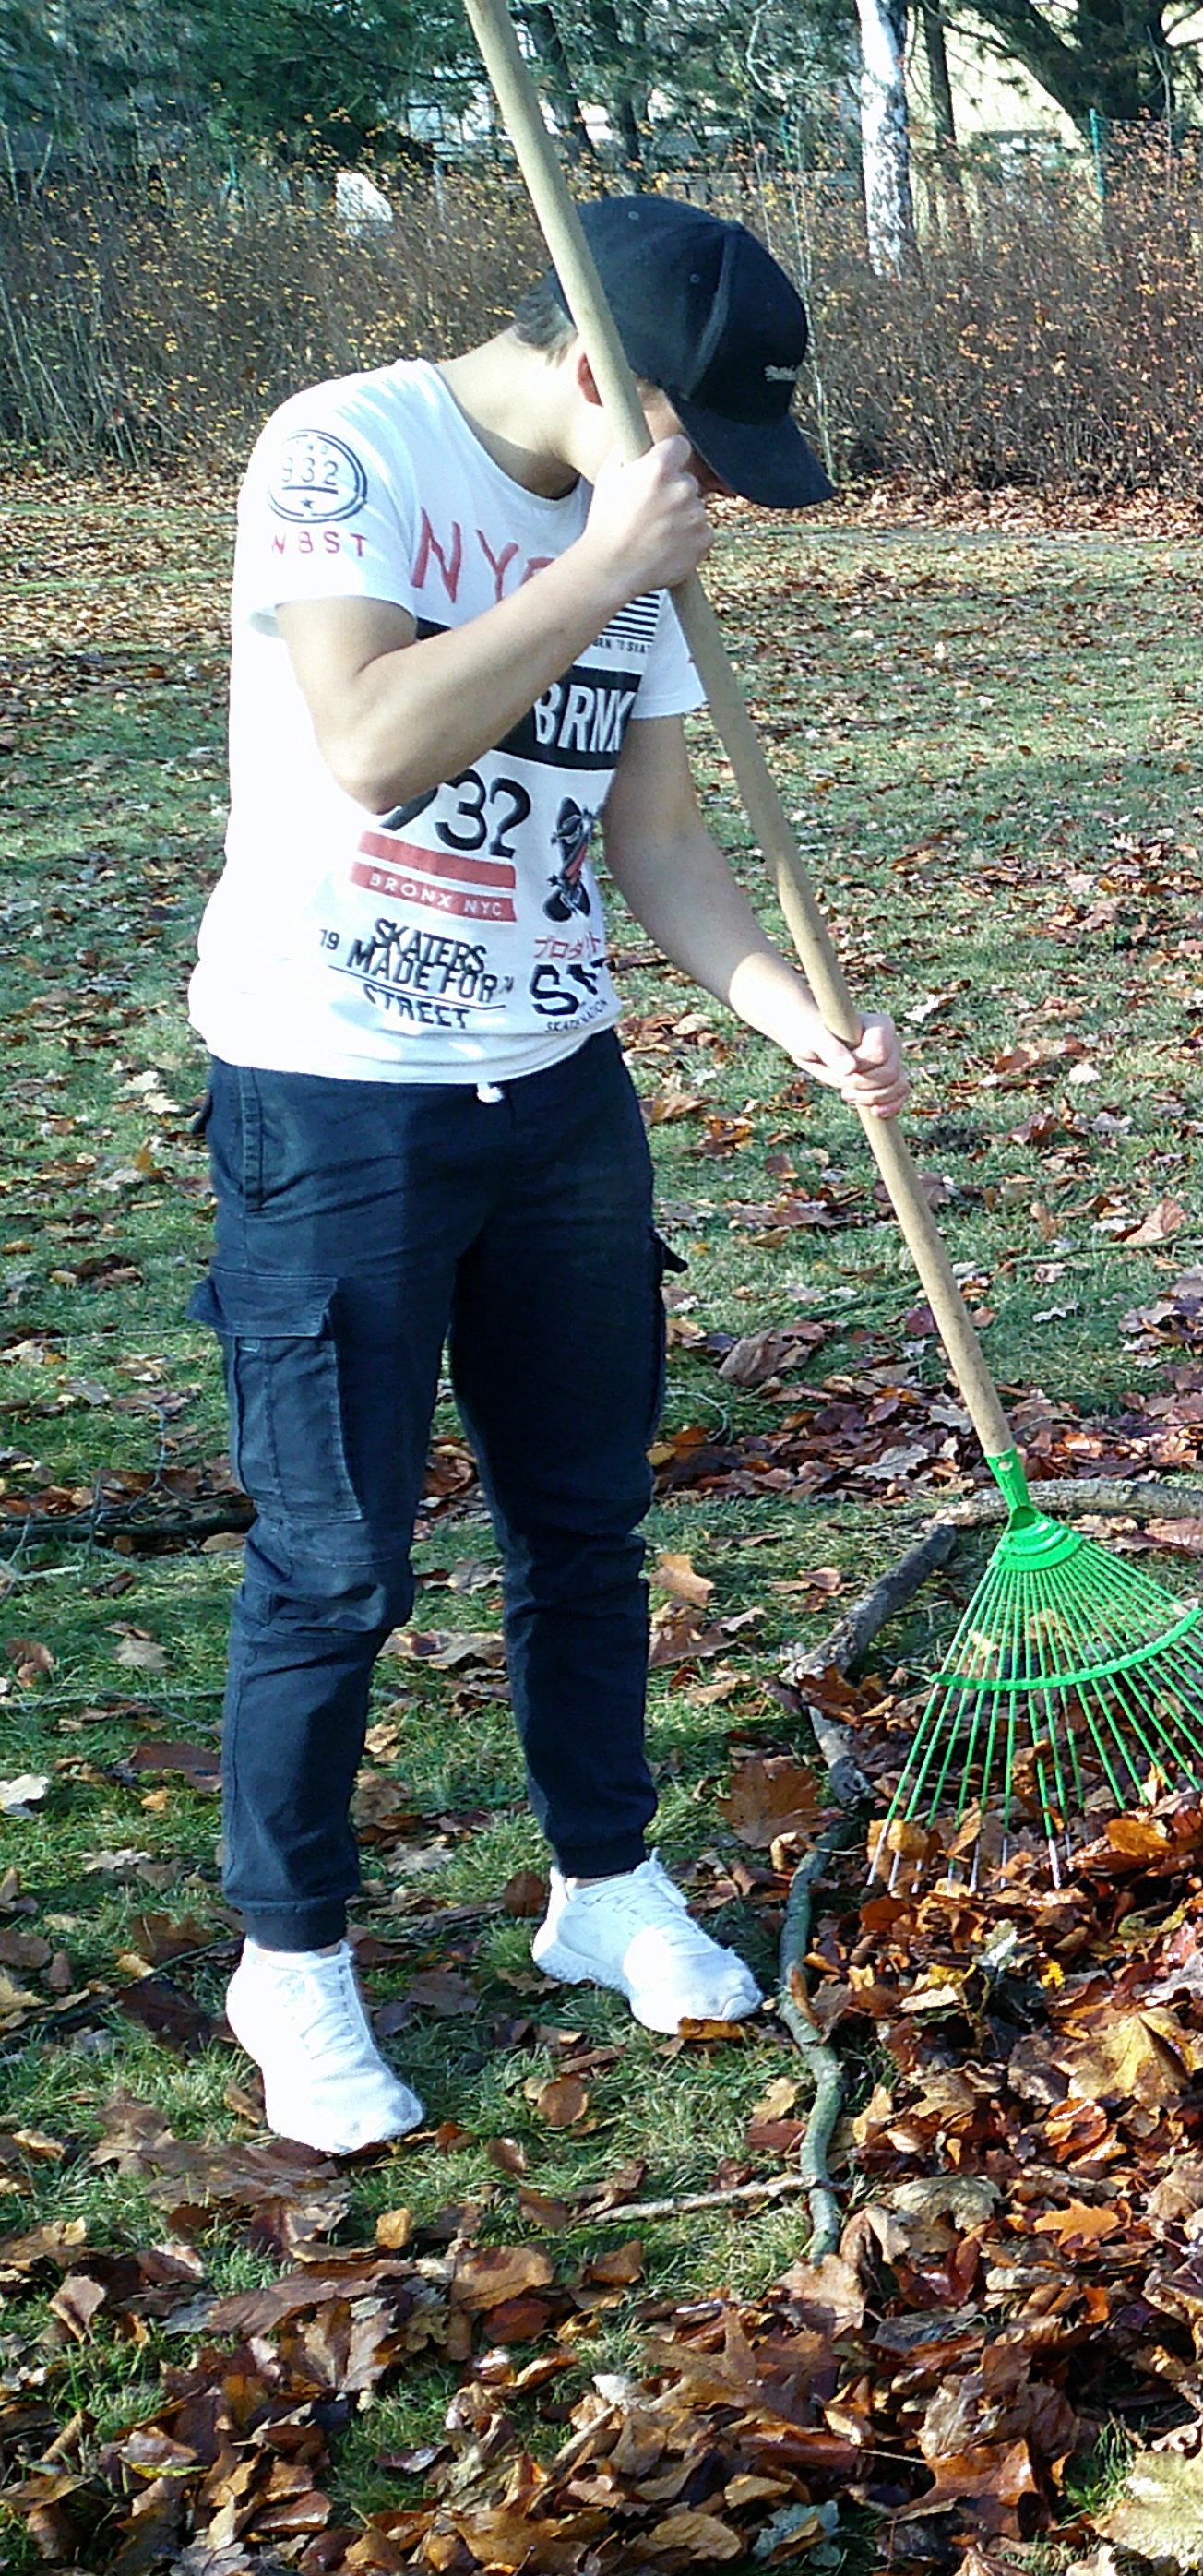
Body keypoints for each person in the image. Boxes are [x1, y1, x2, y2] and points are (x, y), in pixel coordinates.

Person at [194, 196, 911, 2154]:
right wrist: (601, 563)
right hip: (335, 1091)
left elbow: (654, 845)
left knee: (584, 1522)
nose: (710, 493)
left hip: (558, 1089)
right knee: (338, 1558)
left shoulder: (637, 533)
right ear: (602, 376)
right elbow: (371, 746)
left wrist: (788, 1017)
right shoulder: (348, 447)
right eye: (700, 444)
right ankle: (291, 1959)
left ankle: (603, 1883)